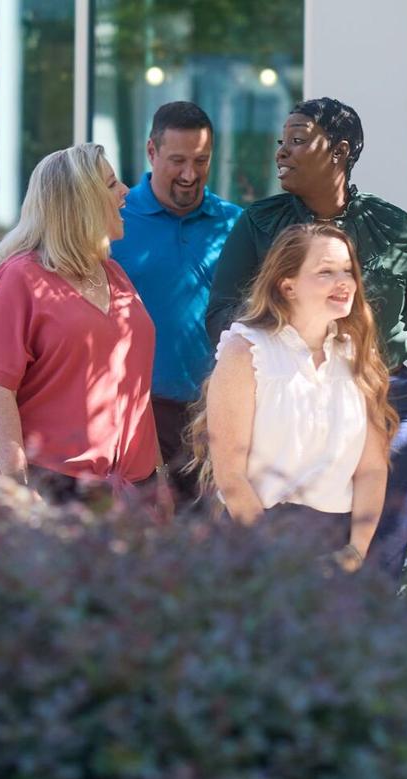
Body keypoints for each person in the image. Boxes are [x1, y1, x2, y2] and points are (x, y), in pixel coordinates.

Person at [207, 97, 407, 576]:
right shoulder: (258, 225)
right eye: (282, 141)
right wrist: (292, 341)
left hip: (385, 400)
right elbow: (222, 314)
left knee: (377, 563)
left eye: (297, 140)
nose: (281, 151)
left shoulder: (397, 230)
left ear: (340, 151)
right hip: (289, 399)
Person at [0, 143, 171, 517]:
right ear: (79, 203)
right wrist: (18, 489)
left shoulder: (115, 275)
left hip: (131, 491)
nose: (126, 191)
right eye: (111, 184)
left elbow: (136, 393)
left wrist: (159, 479)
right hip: (50, 489)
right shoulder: (20, 278)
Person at [189, 223, 396, 571]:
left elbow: (372, 470)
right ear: (288, 286)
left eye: (347, 270)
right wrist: (278, 562)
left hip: (338, 548)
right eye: (326, 272)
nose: (344, 282)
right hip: (256, 544)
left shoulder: (357, 356)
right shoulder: (246, 351)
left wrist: (356, 552)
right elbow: (231, 476)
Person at [111, 101, 242, 508]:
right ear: (151, 152)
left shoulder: (235, 225)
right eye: (178, 161)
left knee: (208, 537)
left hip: (213, 417)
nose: (190, 174)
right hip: (134, 416)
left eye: (201, 160)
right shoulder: (115, 221)